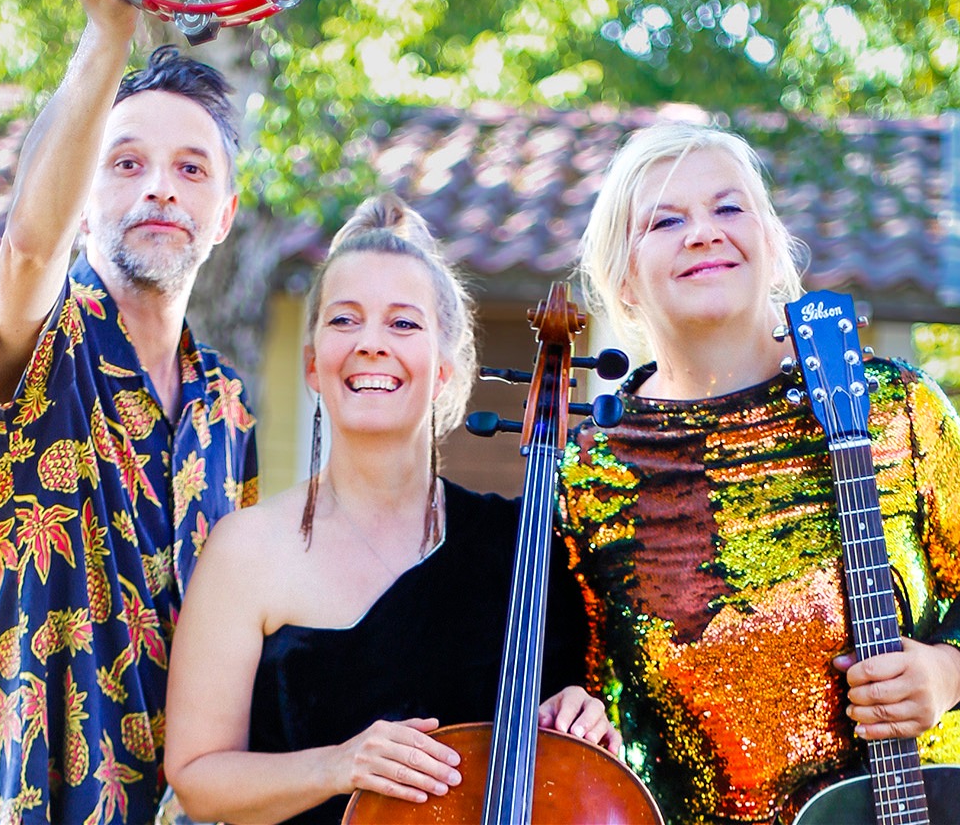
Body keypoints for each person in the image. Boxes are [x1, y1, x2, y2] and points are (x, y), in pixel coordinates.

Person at [559, 121, 960, 824]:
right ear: (622, 279)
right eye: (664, 220)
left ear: (772, 243)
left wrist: (945, 670)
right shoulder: (592, 472)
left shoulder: (891, 405)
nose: (703, 233)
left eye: (728, 208)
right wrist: (573, 708)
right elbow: (585, 678)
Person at [161, 195, 619, 824]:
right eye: (345, 320)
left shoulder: (524, 544)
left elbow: (570, 761)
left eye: (403, 324)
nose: (371, 344)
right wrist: (339, 765)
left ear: (442, 371)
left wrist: (580, 721)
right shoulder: (246, 549)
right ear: (313, 363)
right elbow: (198, 779)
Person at [0, 0, 257, 822]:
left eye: (192, 169)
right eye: (125, 163)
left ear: (223, 215)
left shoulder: (228, 407)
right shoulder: (38, 336)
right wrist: (106, 38)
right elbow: (29, 251)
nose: (160, 187)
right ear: (83, 195)